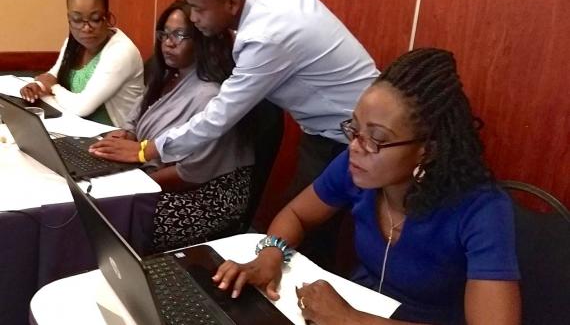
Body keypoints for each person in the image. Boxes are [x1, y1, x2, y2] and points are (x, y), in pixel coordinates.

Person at [211, 48, 521, 324]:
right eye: (355, 129)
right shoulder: (356, 167)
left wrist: (350, 319)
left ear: (428, 149)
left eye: (377, 139)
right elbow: (297, 214)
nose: (357, 147)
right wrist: (270, 256)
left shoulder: (482, 210)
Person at [89, 0, 379, 269]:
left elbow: (217, 117)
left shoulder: (264, 37)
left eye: (199, 9)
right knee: (304, 228)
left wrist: (146, 151)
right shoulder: (277, 3)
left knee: (309, 241)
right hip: (334, 128)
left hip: (354, 137)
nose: (194, 18)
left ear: (232, 4)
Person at [94, 0, 254, 250]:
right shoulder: (169, 74)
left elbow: (191, 174)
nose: (168, 42)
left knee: (113, 218)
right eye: (165, 33)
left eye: (180, 34)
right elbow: (134, 120)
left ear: (203, 38)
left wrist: (132, 182)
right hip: (157, 173)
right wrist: (125, 135)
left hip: (206, 196)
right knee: (94, 194)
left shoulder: (208, 95)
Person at [20, 0, 144, 128]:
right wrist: (37, 86)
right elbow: (53, 75)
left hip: (112, 136)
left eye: (95, 19)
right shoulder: (73, 42)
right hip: (76, 125)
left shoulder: (121, 52)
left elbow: (82, 107)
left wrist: (53, 87)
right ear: (69, 19)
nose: (86, 28)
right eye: (77, 20)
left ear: (108, 18)